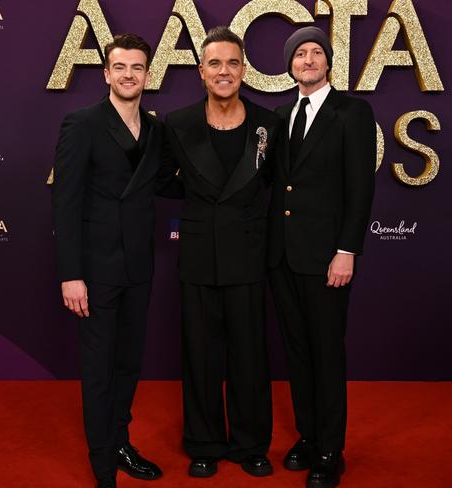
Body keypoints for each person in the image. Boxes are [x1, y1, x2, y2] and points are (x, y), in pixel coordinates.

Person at [162, 26, 281, 479]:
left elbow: (275, 183)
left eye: (232, 62)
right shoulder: (178, 123)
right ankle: (205, 442)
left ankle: (251, 444)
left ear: (244, 69)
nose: (224, 71)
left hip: (248, 254)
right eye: (215, 63)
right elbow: (160, 179)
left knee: (250, 354)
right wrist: (197, 199)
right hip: (197, 253)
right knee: (200, 354)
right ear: (201, 72)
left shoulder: (269, 124)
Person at [51, 34, 163, 488]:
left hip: (139, 267)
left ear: (148, 75)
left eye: (137, 67)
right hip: (95, 272)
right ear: (106, 74)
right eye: (121, 67)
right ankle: (102, 465)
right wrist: (70, 275)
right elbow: (65, 202)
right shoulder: (82, 123)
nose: (129, 75)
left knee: (127, 365)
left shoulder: (156, 129)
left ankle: (119, 442)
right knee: (98, 371)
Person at [267, 27, 376, 488]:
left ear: (328, 63)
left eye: (316, 53)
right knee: (298, 353)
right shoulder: (280, 113)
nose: (308, 60)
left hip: (328, 258)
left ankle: (331, 450)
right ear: (290, 65)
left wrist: (346, 251)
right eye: (300, 54)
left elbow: (360, 189)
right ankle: (309, 437)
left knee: (327, 355)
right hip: (283, 258)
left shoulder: (352, 111)